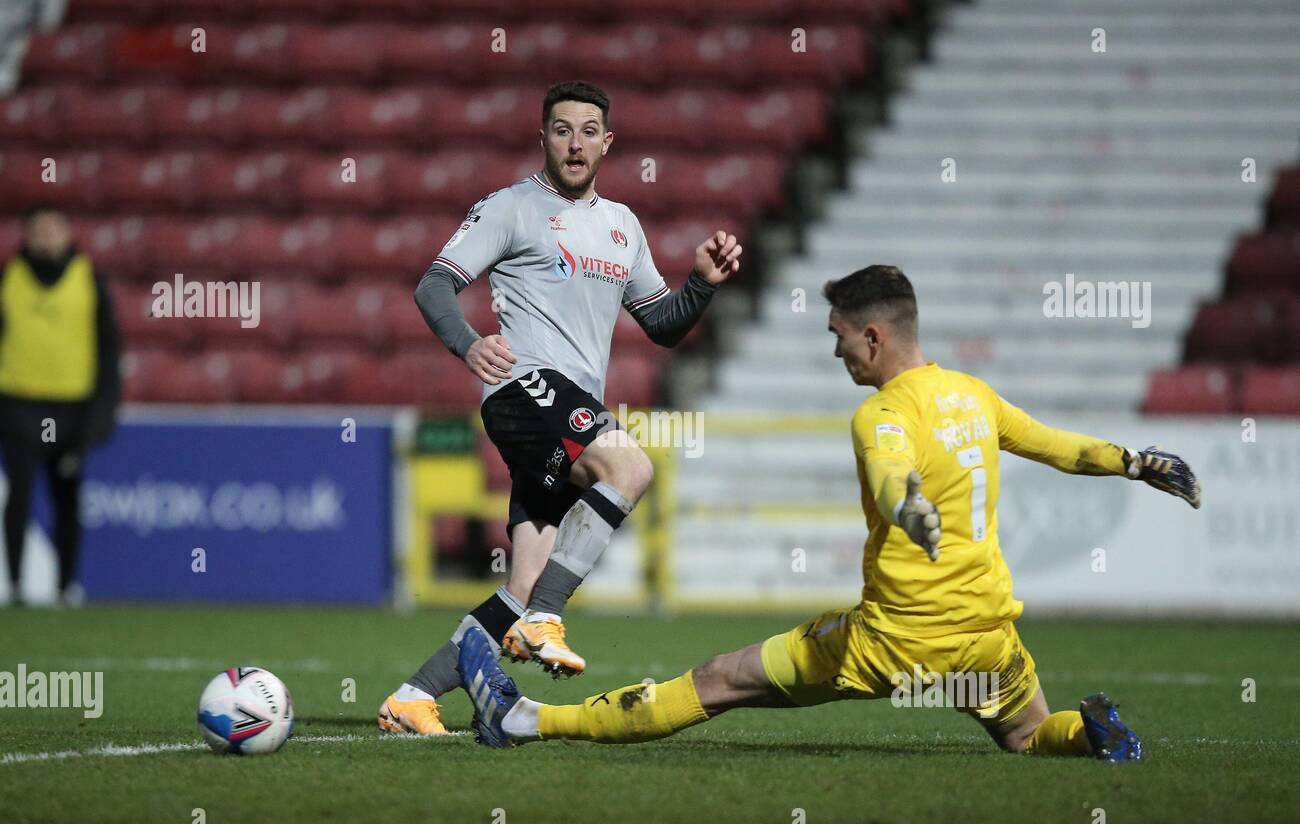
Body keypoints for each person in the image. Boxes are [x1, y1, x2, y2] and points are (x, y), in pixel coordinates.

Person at [456, 265, 1202, 761]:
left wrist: (905, 503)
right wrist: (1134, 462)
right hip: (987, 640)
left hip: (890, 645)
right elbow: (1058, 447)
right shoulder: (972, 395)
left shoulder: (881, 415)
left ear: (874, 336)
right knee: (1030, 731)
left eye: (840, 337)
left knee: (718, 679)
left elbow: (888, 474)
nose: (837, 351)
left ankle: (523, 720)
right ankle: (1090, 735)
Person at [377, 81, 742, 735]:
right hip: (525, 389)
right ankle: (548, 618)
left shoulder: (622, 226)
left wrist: (701, 285)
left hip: (566, 412)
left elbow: (660, 322)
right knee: (631, 469)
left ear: (608, 142)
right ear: (543, 137)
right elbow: (434, 284)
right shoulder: (510, 208)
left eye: (588, 130)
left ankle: (413, 696)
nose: (575, 143)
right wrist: (467, 345)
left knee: (520, 587)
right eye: (562, 129)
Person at [0, 207, 120, 606]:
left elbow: (108, 350)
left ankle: (65, 587)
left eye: (54, 230)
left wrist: (100, 417)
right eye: (39, 230)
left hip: (71, 406)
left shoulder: (89, 281)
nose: (47, 238)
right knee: (19, 495)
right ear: (27, 236)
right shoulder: (8, 280)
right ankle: (14, 585)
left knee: (67, 496)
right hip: (18, 403)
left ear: (68, 235)